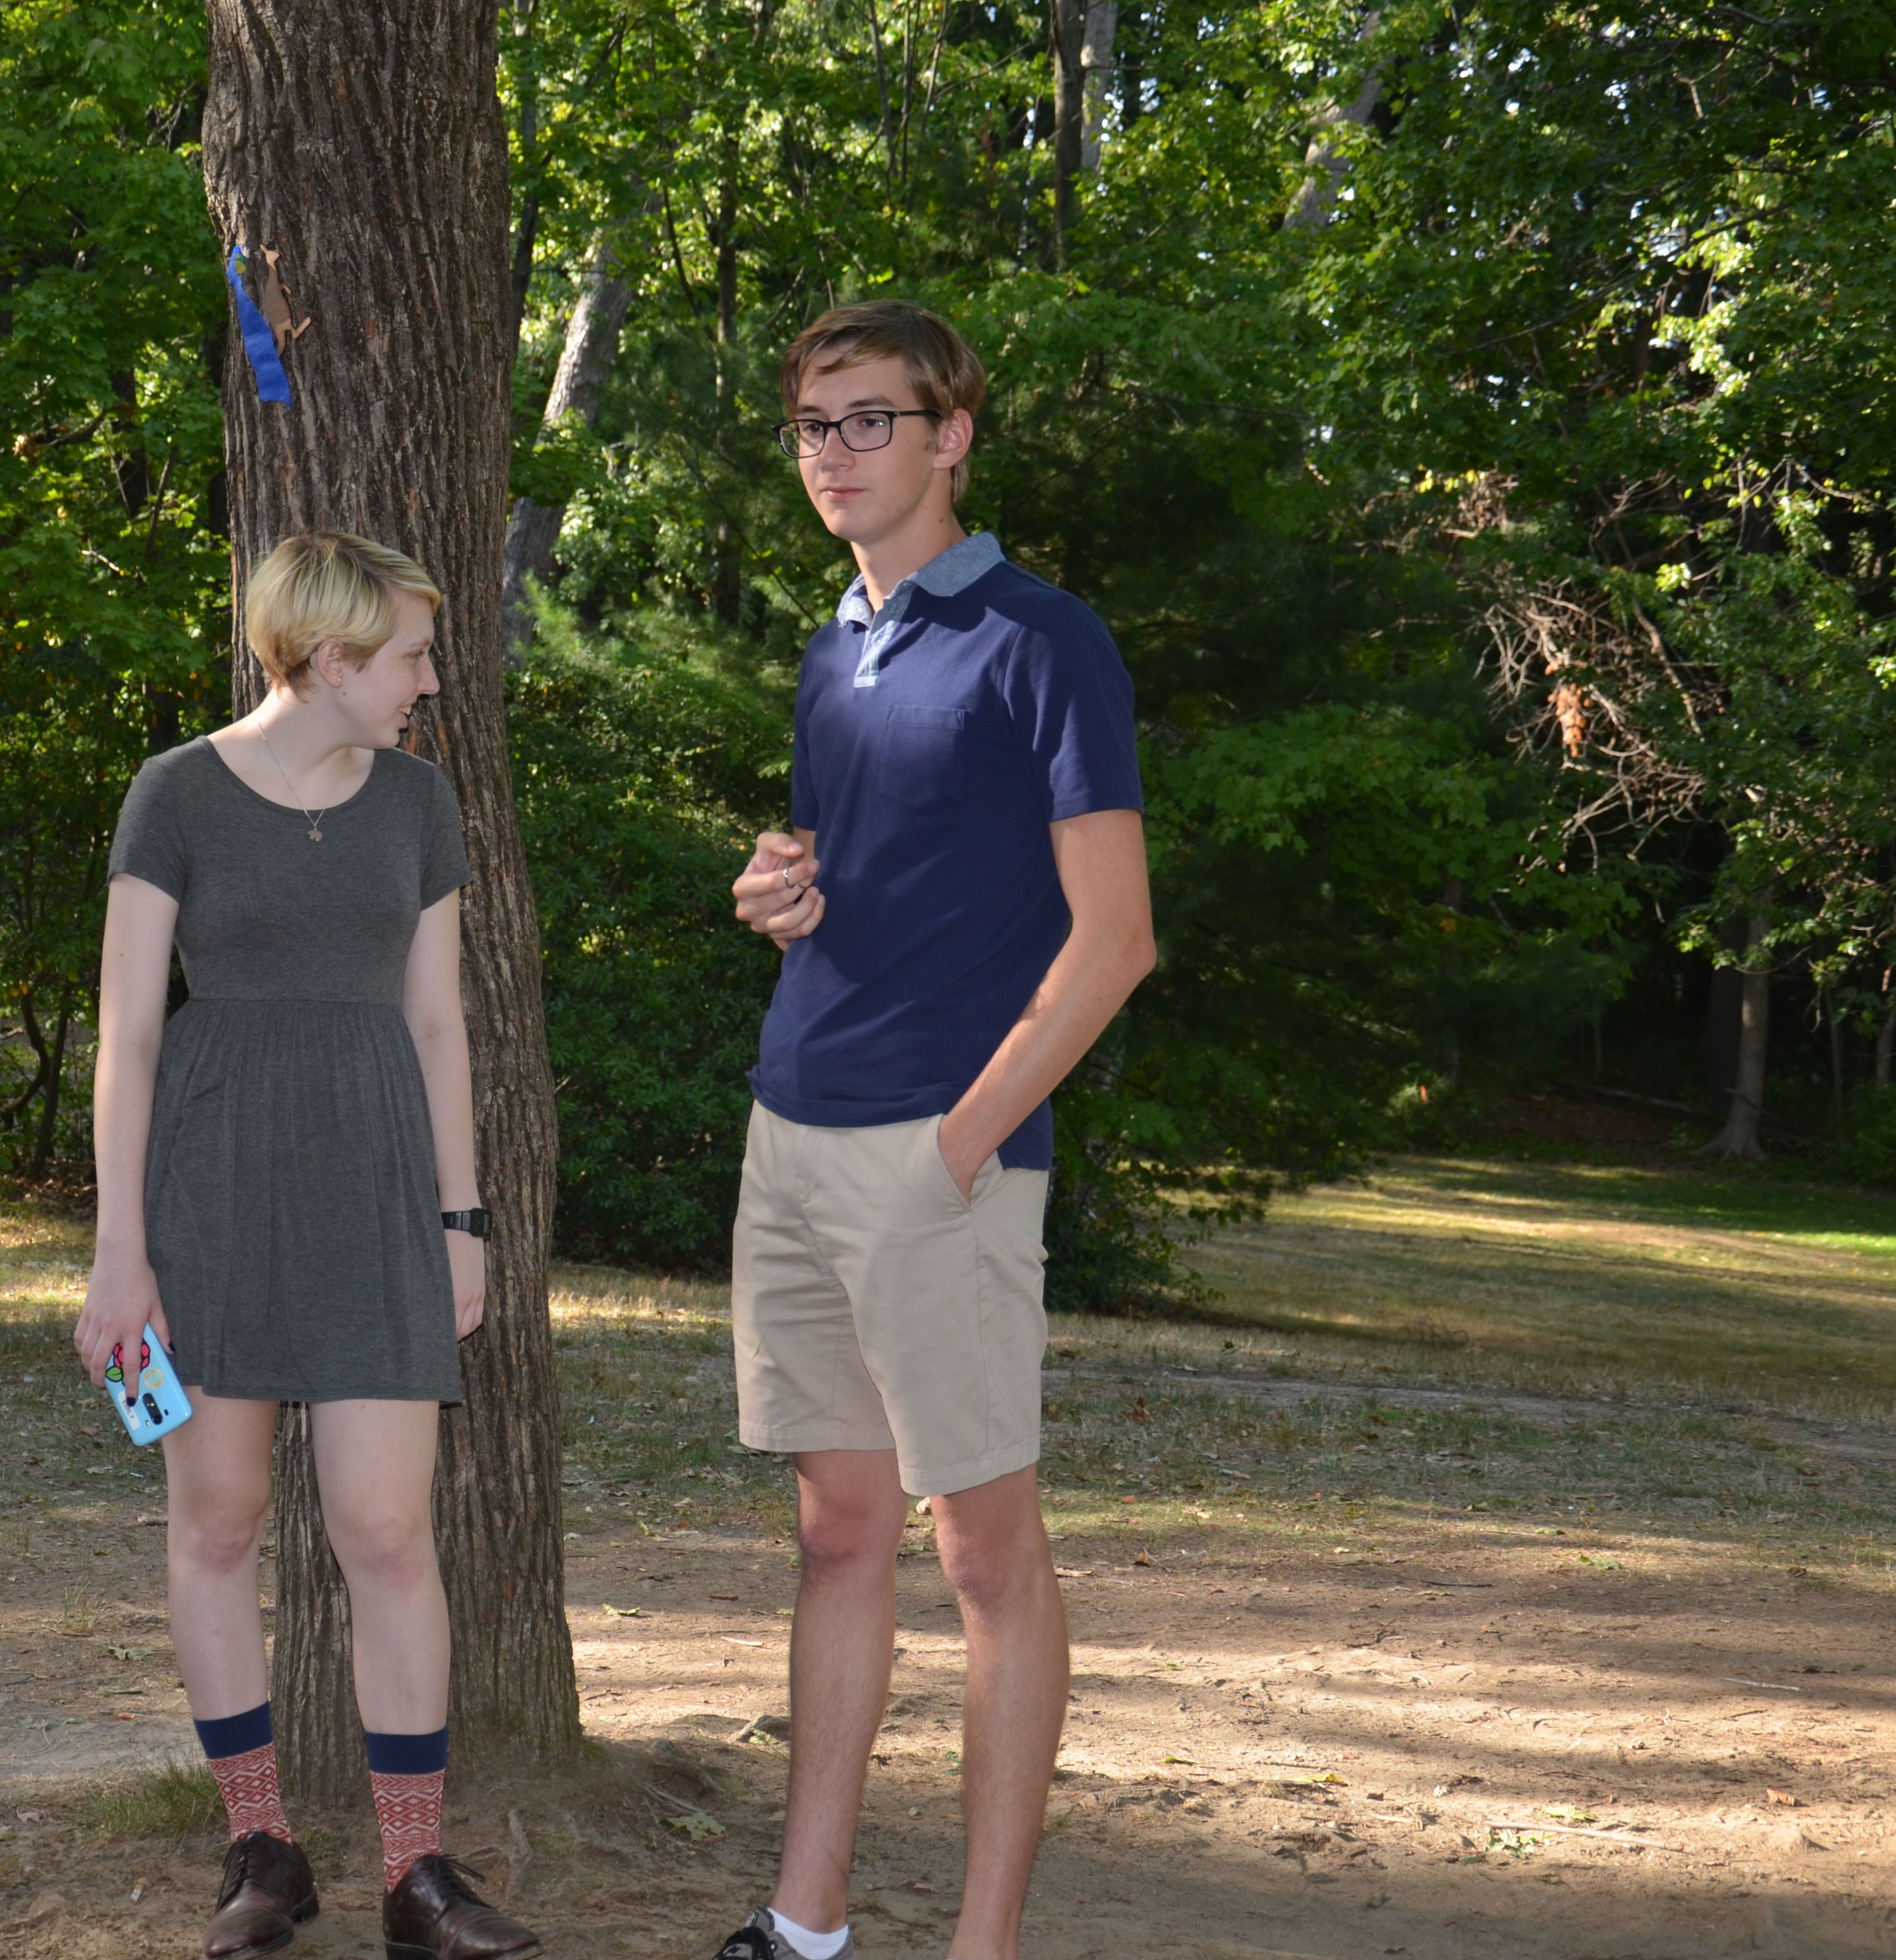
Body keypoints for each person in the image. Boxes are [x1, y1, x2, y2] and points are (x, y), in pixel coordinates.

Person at [704, 303, 1155, 1960]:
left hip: (939, 1154)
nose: (834, 455)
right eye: (811, 427)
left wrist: (963, 1141)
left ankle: (982, 1947)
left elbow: (1115, 941)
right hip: (792, 1126)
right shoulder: (834, 646)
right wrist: (785, 891)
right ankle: (805, 1924)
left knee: (984, 1558)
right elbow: (865, 872)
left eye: (869, 421)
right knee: (836, 1533)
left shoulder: (1044, 641)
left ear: (952, 433)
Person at [80, 532, 543, 1960]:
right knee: (216, 1523)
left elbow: (437, 1023)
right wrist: (119, 1252)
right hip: (210, 1191)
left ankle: (415, 1875)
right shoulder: (174, 794)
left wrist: (461, 1222)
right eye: (410, 655)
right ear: (331, 660)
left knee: (388, 1532)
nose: (429, 679)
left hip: (377, 1194)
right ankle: (263, 1850)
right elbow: (128, 1037)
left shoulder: (418, 801)